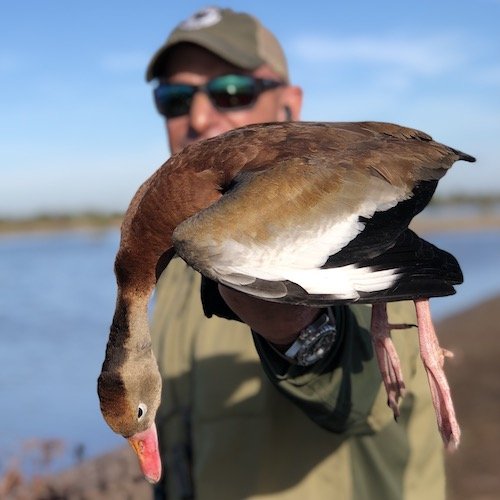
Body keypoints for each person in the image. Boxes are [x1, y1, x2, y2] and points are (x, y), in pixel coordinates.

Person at [145, 7, 445, 500]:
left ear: (290, 106)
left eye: (231, 92)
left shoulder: (369, 222)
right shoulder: (176, 267)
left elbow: (371, 397)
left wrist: (305, 336)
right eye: (174, 99)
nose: (198, 118)